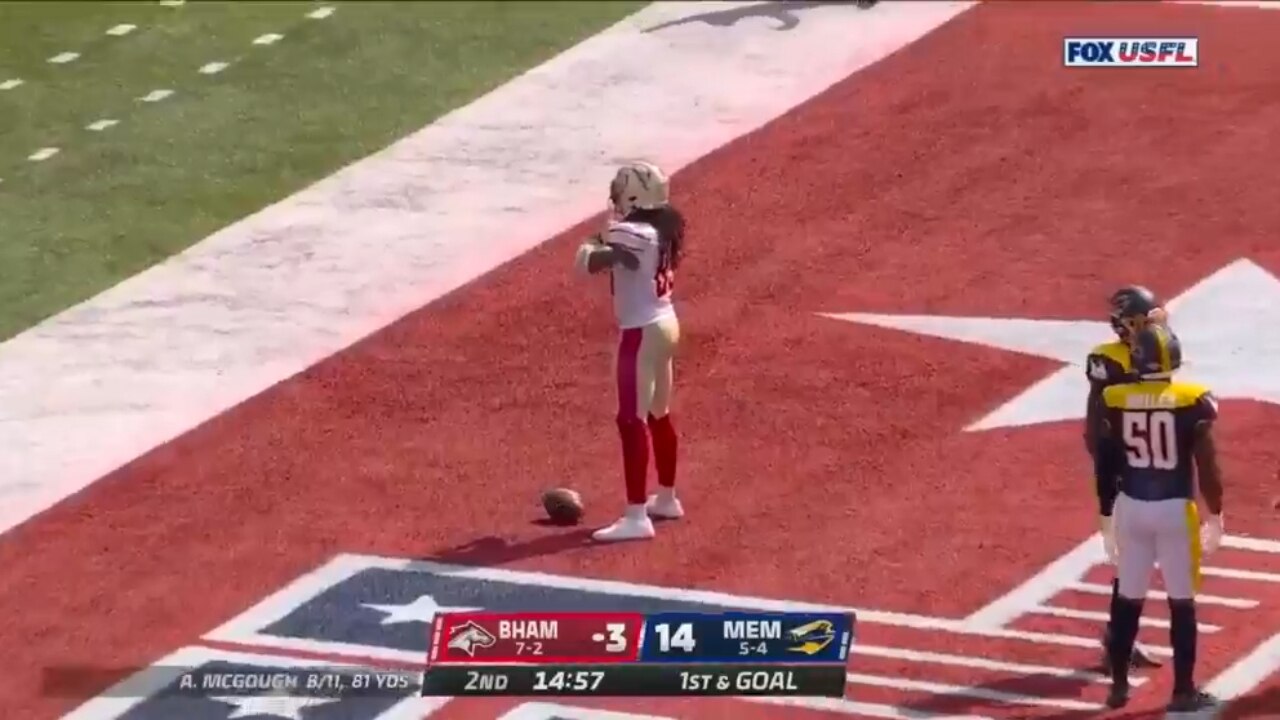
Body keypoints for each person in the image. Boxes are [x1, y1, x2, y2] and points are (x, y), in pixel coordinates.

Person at [1095, 324, 1224, 712]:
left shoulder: (1114, 399)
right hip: (1173, 509)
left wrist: (1106, 512)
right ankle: (1183, 689)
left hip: (1131, 507)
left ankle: (1118, 686)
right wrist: (1216, 514)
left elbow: (1106, 463)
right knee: (1181, 602)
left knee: (1127, 598)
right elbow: (1208, 465)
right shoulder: (1191, 400)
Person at [573, 161, 687, 542]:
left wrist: (595, 244)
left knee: (630, 419)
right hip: (666, 321)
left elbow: (587, 263)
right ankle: (667, 496)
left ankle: (637, 515)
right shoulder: (664, 225)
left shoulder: (633, 231)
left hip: (642, 330)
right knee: (658, 413)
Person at [1084, 286, 1167, 672]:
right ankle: (1117, 643)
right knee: (1135, 557)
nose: (1148, 327)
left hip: (1151, 462)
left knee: (1141, 557)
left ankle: (1121, 638)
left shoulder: (1154, 349)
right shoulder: (1109, 360)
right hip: (1123, 466)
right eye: (1141, 320)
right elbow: (1101, 424)